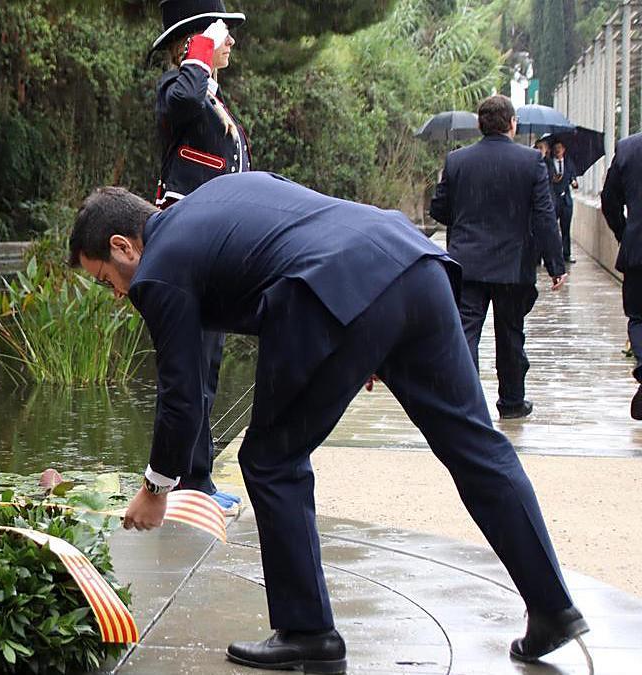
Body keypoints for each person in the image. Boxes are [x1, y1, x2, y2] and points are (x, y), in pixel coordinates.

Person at [67, 173, 587, 673]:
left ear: (123, 245)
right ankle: (552, 606)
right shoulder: (216, 196)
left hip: (333, 290)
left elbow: (181, 395)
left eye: (105, 279)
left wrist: (157, 487)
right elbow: (303, 231)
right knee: (477, 447)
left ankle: (307, 633)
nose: (115, 293)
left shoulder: (159, 268)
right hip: (411, 262)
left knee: (271, 460)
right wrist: (367, 341)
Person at [148, 0, 250, 511]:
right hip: (188, 252)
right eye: (219, 34)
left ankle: (198, 479)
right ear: (193, 45)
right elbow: (183, 99)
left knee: (206, 369)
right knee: (187, 368)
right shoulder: (178, 89)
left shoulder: (212, 100)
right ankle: (185, 481)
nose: (230, 42)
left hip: (214, 252)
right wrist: (199, 53)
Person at [430, 95, 567, 420]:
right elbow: (545, 217)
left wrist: (467, 219)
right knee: (510, 335)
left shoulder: (457, 161)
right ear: (512, 124)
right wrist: (555, 265)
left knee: (464, 334)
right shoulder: (530, 162)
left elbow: (438, 209)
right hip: (512, 266)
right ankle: (512, 402)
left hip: (468, 264)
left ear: (480, 124)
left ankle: (464, 403)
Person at [599, 131, 642, 420]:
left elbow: (608, 200)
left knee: (638, 317)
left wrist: (624, 233)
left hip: (638, 251)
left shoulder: (628, 148)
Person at [548, 139, 579, 264]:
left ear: (564, 150)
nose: (558, 150)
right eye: (555, 148)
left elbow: (573, 177)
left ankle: (566, 254)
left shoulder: (569, 163)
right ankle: (551, 255)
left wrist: (574, 182)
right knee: (551, 229)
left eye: (560, 148)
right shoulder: (548, 163)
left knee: (566, 228)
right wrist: (552, 179)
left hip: (566, 201)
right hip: (553, 200)